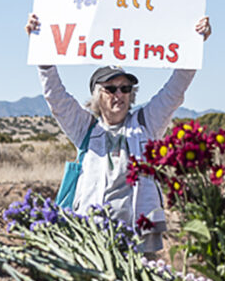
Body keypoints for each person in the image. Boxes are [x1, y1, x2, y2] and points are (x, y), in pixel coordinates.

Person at [24, 14, 211, 254]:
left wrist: (193, 45)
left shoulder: (146, 123)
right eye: (110, 89)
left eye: (125, 88)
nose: (118, 94)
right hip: (92, 235)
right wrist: (43, 55)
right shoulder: (85, 129)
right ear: (96, 95)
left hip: (138, 236)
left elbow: (175, 90)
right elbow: (56, 98)